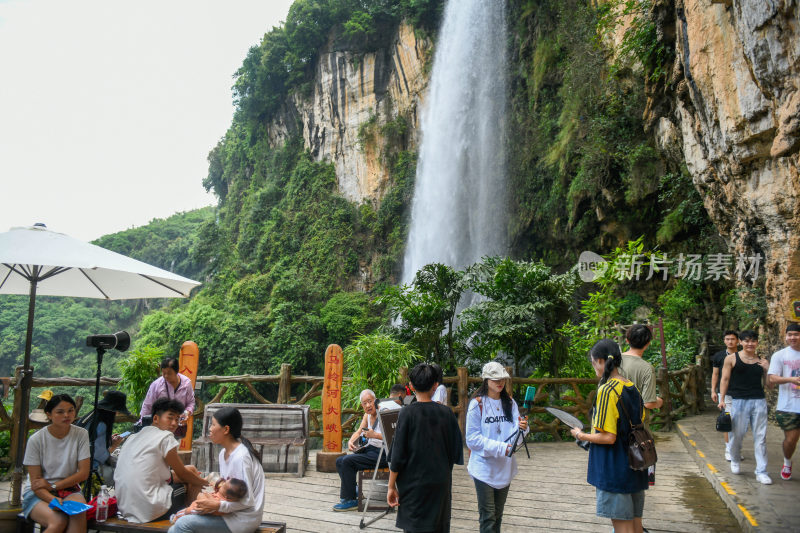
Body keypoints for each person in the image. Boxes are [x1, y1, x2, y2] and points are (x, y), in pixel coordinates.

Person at [572, 340, 649, 533]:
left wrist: (581, 435)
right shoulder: (631, 386)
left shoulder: (607, 390)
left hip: (615, 468)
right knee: (636, 527)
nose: (594, 368)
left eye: (593, 363)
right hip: (636, 465)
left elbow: (608, 437)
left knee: (623, 529)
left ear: (599, 361)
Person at [387, 363, 464, 532]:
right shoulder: (447, 413)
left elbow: (397, 456)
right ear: (435, 385)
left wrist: (391, 486)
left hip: (414, 488)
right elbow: (455, 452)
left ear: (411, 386)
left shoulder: (407, 413)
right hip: (440, 486)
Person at [170, 407, 265, 533]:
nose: (210, 429)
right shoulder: (223, 454)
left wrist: (217, 505)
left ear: (226, 429)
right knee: (176, 526)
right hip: (228, 513)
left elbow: (248, 501)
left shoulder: (241, 457)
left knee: (183, 524)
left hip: (242, 520)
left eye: (213, 425)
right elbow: (226, 493)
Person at [115, 398, 208, 523]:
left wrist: (193, 474)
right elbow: (182, 474)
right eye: (170, 418)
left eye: (177, 419)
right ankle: (190, 522)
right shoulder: (165, 437)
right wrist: (205, 483)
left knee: (191, 470)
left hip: (125, 507)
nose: (174, 423)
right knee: (192, 482)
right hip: (149, 509)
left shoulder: (132, 437)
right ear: (155, 419)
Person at [466, 361, 529, 533]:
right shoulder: (477, 404)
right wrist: (502, 448)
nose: (499, 382)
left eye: (502, 378)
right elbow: (472, 439)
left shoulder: (510, 402)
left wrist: (524, 428)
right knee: (488, 517)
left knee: (498, 516)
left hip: (505, 468)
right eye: (495, 379)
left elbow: (517, 435)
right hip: (484, 469)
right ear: (486, 380)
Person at [22, 393, 90, 533]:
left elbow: (83, 473)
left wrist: (54, 485)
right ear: (49, 414)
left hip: (69, 489)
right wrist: (52, 497)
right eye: (60, 412)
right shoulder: (36, 440)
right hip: (38, 493)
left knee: (78, 512)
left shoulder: (81, 434)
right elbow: (36, 483)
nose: (67, 415)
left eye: (70, 410)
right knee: (58, 521)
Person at [718, 330, 771, 484]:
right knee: (737, 434)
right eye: (746, 341)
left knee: (760, 438)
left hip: (758, 400)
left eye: (753, 341)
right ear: (740, 342)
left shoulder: (762, 361)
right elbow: (725, 379)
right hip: (737, 400)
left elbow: (768, 385)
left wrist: (767, 368)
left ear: (757, 343)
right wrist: (722, 400)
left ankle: (761, 471)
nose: (750, 344)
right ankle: (735, 459)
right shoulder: (731, 359)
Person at [333, 389, 388, 511]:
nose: (368, 405)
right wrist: (351, 441)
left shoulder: (384, 413)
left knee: (347, 461)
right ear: (362, 405)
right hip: (370, 450)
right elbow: (359, 432)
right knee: (339, 461)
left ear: (375, 400)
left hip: (382, 454)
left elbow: (393, 436)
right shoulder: (367, 415)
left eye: (370, 401)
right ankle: (355, 491)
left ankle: (350, 499)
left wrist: (375, 435)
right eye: (364, 403)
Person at [767, 322, 800, 480]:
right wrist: (791, 379)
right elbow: (772, 378)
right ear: (785, 336)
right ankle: (787, 462)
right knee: (791, 440)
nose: (793, 337)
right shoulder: (780, 355)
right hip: (789, 406)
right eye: (790, 335)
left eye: (796, 334)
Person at [75, 390, 130, 483]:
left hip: (76, 464)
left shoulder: (89, 418)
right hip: (89, 469)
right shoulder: (102, 425)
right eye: (116, 411)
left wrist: (107, 441)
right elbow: (98, 455)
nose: (117, 414)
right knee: (126, 472)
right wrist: (113, 446)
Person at [139, 358, 195, 437]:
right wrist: (142, 424)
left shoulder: (186, 383)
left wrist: (186, 413)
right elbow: (147, 406)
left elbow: (191, 402)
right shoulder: (156, 385)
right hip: (159, 428)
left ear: (176, 371)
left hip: (177, 426)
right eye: (163, 373)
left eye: (169, 373)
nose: (165, 376)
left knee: (174, 447)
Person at [710, 330, 740, 460]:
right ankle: (728, 449)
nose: (730, 341)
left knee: (740, 423)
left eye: (733, 339)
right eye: (727, 339)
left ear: (738, 341)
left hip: (741, 393)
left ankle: (736, 448)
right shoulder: (719, 356)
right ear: (724, 341)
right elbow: (715, 374)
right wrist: (713, 390)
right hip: (725, 393)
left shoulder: (743, 355)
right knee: (727, 420)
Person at [171, 478, 247, 521]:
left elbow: (204, 508)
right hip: (194, 509)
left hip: (191, 512)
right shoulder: (225, 499)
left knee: (179, 514)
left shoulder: (218, 502)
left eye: (223, 486)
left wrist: (189, 510)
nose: (222, 485)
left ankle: (175, 518)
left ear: (227, 497)